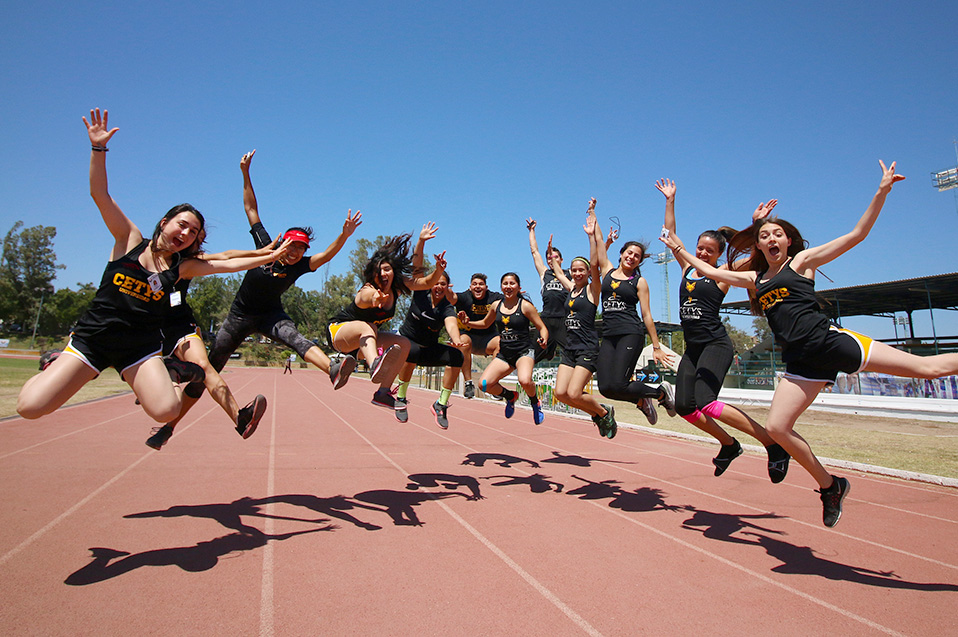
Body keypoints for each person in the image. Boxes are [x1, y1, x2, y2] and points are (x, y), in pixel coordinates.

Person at [661, 160, 958, 528]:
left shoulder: (802, 262)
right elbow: (707, 270)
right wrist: (678, 245)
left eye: (777, 235)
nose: (772, 240)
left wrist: (881, 191)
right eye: (764, 236)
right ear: (758, 243)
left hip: (832, 345)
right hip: (800, 363)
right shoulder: (754, 278)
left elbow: (857, 235)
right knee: (778, 430)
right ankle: (831, 486)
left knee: (929, 369)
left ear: (789, 241)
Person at [17, 109, 288, 424]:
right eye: (182, 225)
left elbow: (224, 263)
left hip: (139, 349)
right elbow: (99, 194)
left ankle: (171, 370)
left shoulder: (182, 267)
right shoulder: (128, 240)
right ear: (165, 222)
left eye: (192, 233)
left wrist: (269, 257)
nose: (185, 235)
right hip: (93, 339)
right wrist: (98, 149)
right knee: (29, 407)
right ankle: (56, 362)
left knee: (166, 411)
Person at [146, 150, 362, 449]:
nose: (296, 252)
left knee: (296, 338)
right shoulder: (264, 246)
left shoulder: (299, 265)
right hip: (238, 318)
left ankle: (333, 369)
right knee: (207, 372)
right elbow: (251, 208)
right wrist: (245, 173)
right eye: (293, 245)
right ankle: (168, 428)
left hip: (271, 315)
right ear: (283, 242)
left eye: (302, 248)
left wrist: (344, 236)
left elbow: (325, 257)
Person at [656, 178, 790, 480]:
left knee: (707, 402)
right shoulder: (687, 267)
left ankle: (773, 444)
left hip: (716, 345)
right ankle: (729, 445)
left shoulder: (724, 273)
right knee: (685, 406)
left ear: (719, 255)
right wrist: (670, 200)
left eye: (709, 251)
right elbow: (670, 234)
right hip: (693, 349)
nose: (702, 254)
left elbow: (757, 256)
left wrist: (758, 224)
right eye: (700, 249)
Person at [146, 240, 292, 451]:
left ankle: (239, 419)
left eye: (196, 238)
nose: (190, 241)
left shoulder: (186, 263)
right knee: (167, 397)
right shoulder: (139, 256)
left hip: (180, 328)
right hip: (149, 331)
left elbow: (227, 258)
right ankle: (171, 408)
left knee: (206, 368)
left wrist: (264, 254)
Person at [327, 231, 448, 417]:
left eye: (387, 269)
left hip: (363, 344)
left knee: (404, 344)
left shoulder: (396, 289)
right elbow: (363, 297)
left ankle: (383, 393)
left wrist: (438, 270)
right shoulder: (367, 289)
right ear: (372, 274)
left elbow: (424, 282)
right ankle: (375, 363)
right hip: (339, 333)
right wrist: (375, 297)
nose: (383, 274)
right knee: (369, 327)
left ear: (393, 272)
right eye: (379, 270)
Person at [590, 202, 675, 423]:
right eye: (629, 252)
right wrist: (593, 213)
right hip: (609, 335)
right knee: (606, 387)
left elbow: (647, 315)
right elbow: (599, 241)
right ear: (621, 254)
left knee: (619, 382)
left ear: (639, 261)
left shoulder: (640, 282)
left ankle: (661, 393)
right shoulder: (607, 271)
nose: (632, 257)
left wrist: (656, 346)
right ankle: (641, 401)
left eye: (637, 256)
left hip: (630, 333)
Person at [546, 203, 618, 437]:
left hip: (587, 347)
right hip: (570, 348)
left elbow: (596, 263)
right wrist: (550, 254)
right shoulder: (570, 289)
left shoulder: (592, 290)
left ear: (587, 274)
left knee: (575, 394)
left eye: (581, 270)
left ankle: (604, 413)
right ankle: (597, 414)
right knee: (561, 394)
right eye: (573, 270)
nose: (576, 273)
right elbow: (557, 272)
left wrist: (591, 236)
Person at [392, 223, 466, 429]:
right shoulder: (420, 290)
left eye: (443, 284)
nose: (439, 287)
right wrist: (421, 241)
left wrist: (457, 340)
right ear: (431, 282)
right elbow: (417, 266)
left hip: (429, 350)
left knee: (456, 357)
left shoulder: (446, 307)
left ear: (447, 287)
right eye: (436, 282)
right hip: (407, 345)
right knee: (412, 349)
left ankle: (441, 404)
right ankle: (401, 397)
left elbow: (451, 324)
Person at [460, 273, 549, 424]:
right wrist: (468, 323)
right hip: (505, 355)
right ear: (501, 287)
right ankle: (510, 396)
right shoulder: (496, 306)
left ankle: (535, 402)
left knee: (525, 381)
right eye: (505, 284)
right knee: (484, 384)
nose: (508, 287)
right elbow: (485, 324)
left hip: (523, 353)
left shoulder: (525, 306)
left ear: (518, 287)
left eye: (512, 283)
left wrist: (544, 338)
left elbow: (542, 327)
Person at [448, 273, 503, 399]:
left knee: (501, 342)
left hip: (488, 339)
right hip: (469, 338)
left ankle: (492, 382)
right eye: (475, 284)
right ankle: (468, 383)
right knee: (463, 340)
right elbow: (451, 297)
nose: (478, 287)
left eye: (481, 284)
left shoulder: (494, 297)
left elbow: (510, 299)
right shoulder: (464, 297)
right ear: (470, 287)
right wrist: (444, 288)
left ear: (486, 287)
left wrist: (517, 293)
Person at [526, 218, 569, 363]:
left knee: (572, 353)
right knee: (533, 355)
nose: (552, 260)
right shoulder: (545, 273)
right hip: (546, 320)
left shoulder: (570, 274)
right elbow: (535, 252)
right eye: (549, 258)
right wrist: (532, 231)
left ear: (562, 260)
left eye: (556, 257)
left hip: (564, 320)